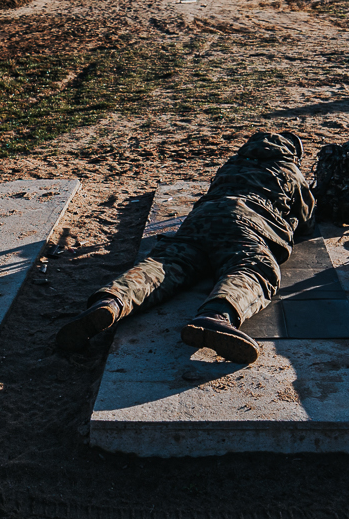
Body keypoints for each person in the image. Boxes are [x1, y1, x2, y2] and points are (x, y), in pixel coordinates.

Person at [55, 130, 314, 366]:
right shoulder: (290, 170)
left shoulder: (233, 164)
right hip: (249, 223)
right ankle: (217, 316)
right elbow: (307, 220)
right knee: (253, 267)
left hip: (202, 219)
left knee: (165, 265)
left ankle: (112, 302)